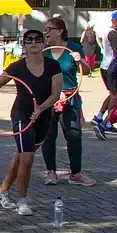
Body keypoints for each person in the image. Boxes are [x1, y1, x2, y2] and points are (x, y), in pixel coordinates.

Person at [0, 28, 62, 216]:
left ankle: (1, 192)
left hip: (43, 116)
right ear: (24, 44)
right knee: (27, 158)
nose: (33, 42)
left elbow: (55, 95)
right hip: (22, 115)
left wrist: (40, 109)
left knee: (21, 156)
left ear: (43, 42)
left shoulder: (53, 66)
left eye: (38, 39)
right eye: (29, 40)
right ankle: (23, 200)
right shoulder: (16, 67)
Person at [40, 18, 97, 187]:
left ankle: (76, 173)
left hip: (70, 97)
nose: (46, 33)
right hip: (49, 98)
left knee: (74, 135)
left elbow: (86, 71)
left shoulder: (73, 48)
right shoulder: (44, 51)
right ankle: (51, 172)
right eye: (45, 29)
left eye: (49, 29)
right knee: (48, 136)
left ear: (60, 31)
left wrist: (80, 61)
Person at [92, 11, 117, 138]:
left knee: (112, 93)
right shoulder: (112, 33)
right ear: (113, 21)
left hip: (107, 66)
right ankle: (108, 123)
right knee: (114, 95)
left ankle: (99, 116)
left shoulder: (112, 32)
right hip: (111, 66)